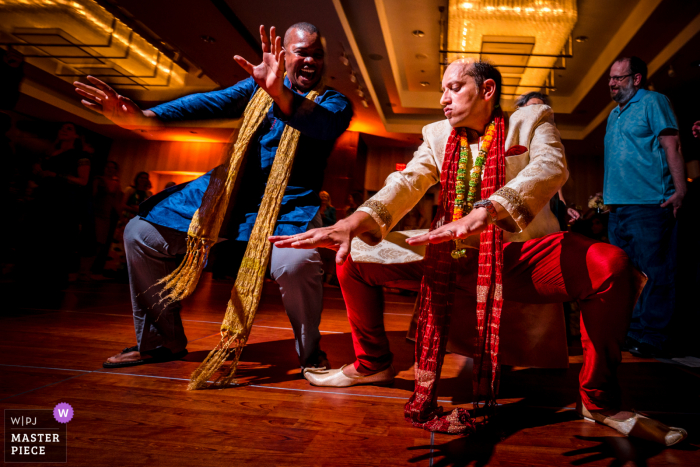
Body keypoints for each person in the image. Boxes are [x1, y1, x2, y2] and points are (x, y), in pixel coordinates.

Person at [272, 59, 686, 445]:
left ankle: (599, 399)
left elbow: (550, 166)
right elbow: (409, 181)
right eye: (442, 89)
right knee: (355, 254)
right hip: (449, 254)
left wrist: (487, 211)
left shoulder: (529, 119)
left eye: (454, 87)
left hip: (520, 255)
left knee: (610, 263)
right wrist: (352, 222)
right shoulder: (437, 134)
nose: (443, 98)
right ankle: (372, 363)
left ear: (486, 89)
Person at [75, 23, 353, 371]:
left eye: (317, 54)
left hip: (289, 206)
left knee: (296, 264)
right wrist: (145, 116)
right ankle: (162, 341)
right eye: (303, 52)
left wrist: (279, 95)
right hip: (229, 193)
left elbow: (322, 125)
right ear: (284, 57)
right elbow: (208, 102)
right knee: (139, 234)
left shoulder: (335, 102)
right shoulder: (257, 87)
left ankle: (310, 354)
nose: (311, 60)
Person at [604, 56, 686, 358]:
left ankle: (654, 338)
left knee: (656, 273)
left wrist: (681, 190)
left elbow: (672, 144)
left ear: (637, 79)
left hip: (650, 204)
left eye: (619, 78)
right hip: (619, 209)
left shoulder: (654, 101)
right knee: (628, 276)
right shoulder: (614, 114)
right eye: (610, 79)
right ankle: (635, 333)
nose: (612, 84)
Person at [516, 91, 580, 228]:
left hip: (548, 202)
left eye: (542, 107)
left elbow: (555, 175)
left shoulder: (549, 137)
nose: (538, 110)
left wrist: (563, 208)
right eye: (533, 106)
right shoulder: (513, 136)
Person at [103, 171, 152, 275]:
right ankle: (115, 269)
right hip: (128, 219)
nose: (143, 180)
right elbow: (122, 204)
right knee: (122, 244)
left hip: (141, 221)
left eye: (145, 178)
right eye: (141, 177)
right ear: (137, 179)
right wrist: (133, 209)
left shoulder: (148, 193)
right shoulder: (130, 190)